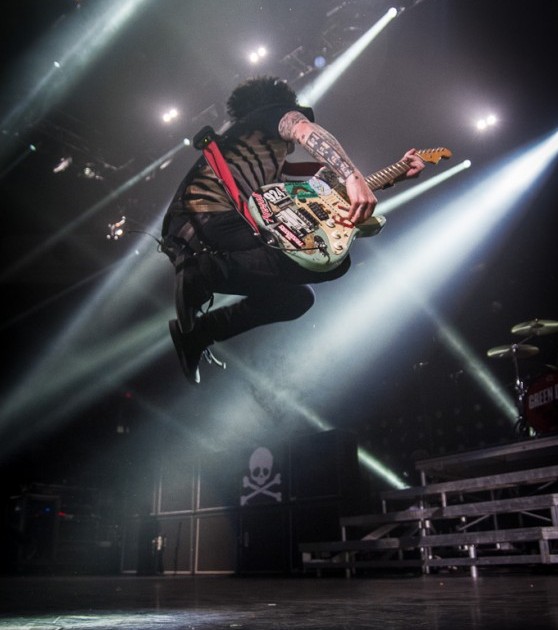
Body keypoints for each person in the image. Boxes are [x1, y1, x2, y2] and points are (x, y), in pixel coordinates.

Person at [161, 76, 425, 384]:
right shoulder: (275, 114)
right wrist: (353, 178)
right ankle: (204, 272)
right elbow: (305, 131)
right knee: (327, 261)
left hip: (202, 232)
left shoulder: (261, 156)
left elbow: (316, 201)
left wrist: (396, 174)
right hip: (206, 218)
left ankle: (199, 332)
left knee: (297, 299)